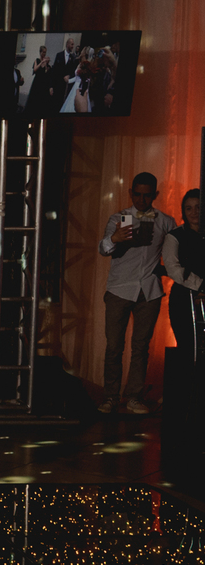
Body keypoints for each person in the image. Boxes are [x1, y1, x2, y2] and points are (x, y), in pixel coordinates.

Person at [97, 172, 176, 414]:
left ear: (155, 195)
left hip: (149, 290)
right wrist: (115, 238)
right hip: (120, 288)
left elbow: (176, 253)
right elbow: (103, 248)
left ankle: (133, 396)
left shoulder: (165, 221)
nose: (142, 200)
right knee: (114, 346)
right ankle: (111, 397)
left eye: (147, 195)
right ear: (131, 193)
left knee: (141, 347)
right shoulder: (119, 218)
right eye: (138, 195)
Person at [163, 189, 204, 356]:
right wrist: (200, 285)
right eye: (189, 208)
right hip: (184, 299)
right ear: (183, 211)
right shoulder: (174, 236)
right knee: (187, 348)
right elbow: (173, 268)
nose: (194, 212)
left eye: (198, 207)